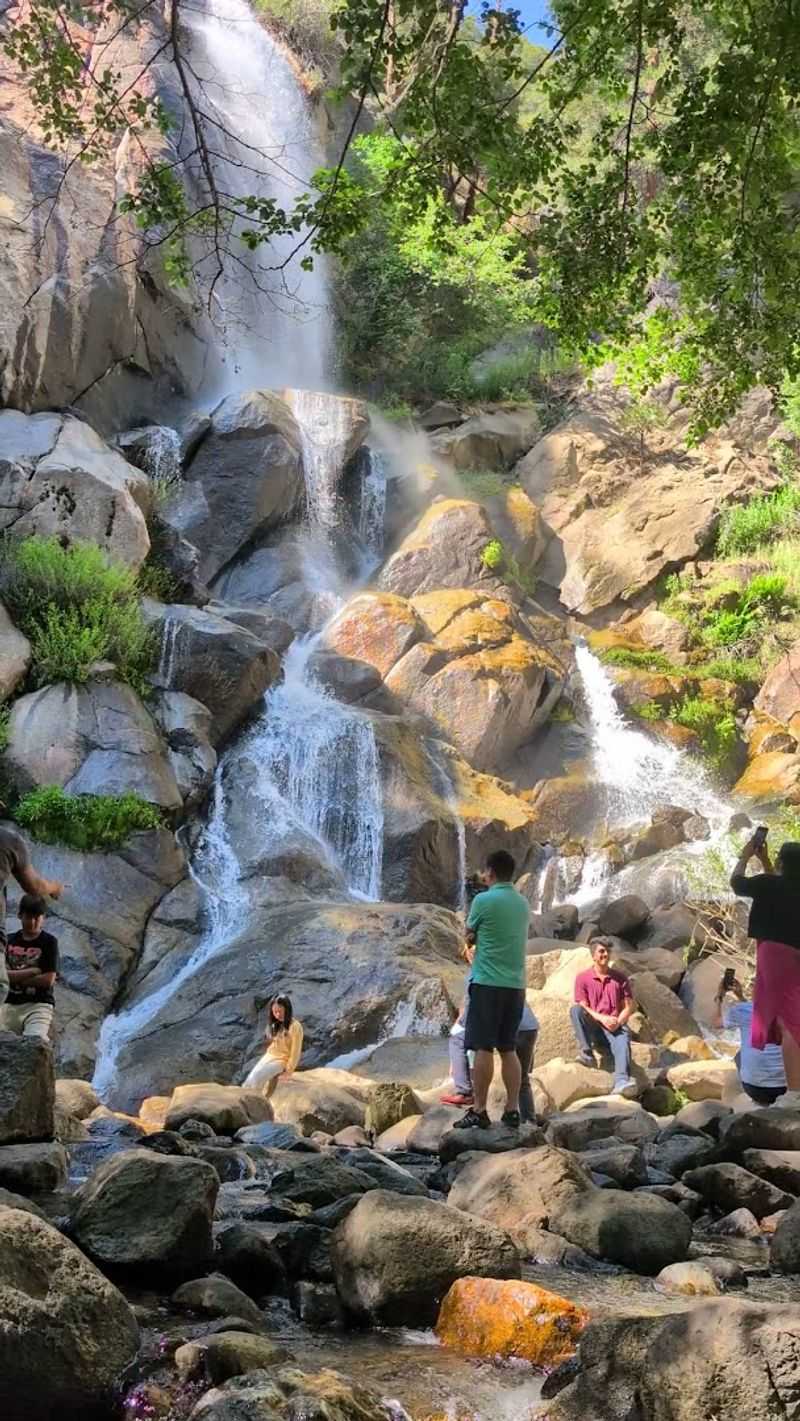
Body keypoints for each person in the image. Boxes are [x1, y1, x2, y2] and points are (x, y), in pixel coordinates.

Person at [455, 849, 529, 1131]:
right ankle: (512, 1111)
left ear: (491, 873)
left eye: (485, 872)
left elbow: (469, 935)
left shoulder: (483, 901)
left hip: (487, 983)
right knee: (508, 1049)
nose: (483, 876)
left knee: (483, 1048)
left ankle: (479, 1110)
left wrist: (470, 941)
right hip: (515, 986)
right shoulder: (522, 903)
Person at [730, 830, 800, 1108]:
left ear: (782, 863)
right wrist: (767, 862)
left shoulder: (771, 885)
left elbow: (737, 884)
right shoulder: (791, 887)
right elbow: (777, 886)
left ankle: (795, 1094)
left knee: (788, 1023)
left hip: (774, 953)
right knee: (793, 1017)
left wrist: (745, 856)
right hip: (795, 954)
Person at [0, 825, 63, 1010]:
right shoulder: (8, 839)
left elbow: (49, 978)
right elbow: (35, 887)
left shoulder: (49, 942)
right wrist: (55, 888)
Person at [571, 938, 637, 1096]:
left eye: (607, 951)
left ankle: (622, 1081)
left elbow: (629, 1006)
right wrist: (602, 1018)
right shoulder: (582, 978)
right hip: (595, 1025)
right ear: (593, 955)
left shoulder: (620, 978)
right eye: (601, 951)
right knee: (576, 1010)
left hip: (614, 1026)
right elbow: (583, 1005)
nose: (605, 954)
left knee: (623, 1036)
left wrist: (618, 1022)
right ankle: (587, 1055)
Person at [710, 971, 786, 1106]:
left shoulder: (742, 1010)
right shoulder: (790, 1011)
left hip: (755, 1089)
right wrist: (740, 997)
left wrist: (719, 997)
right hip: (786, 1089)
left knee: (739, 1055)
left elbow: (716, 1023)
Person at [0, 894, 59, 1040]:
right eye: (28, 917)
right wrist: (32, 971)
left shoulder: (49, 942)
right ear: (20, 915)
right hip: (7, 1004)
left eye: (37, 918)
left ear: (43, 918)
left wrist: (13, 977)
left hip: (38, 1005)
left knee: (35, 1040)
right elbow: (2, 975)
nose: (32, 922)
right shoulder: (8, 940)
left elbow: (48, 980)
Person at [243, 994, 303, 1097]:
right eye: (275, 1012)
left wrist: (288, 1071)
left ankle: (253, 1102)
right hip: (271, 1055)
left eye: (280, 1011)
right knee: (250, 1079)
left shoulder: (295, 1027)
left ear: (287, 1009)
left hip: (282, 1060)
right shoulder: (275, 1024)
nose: (278, 1014)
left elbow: (295, 1052)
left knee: (257, 1078)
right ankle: (245, 1098)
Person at [516, 998, 539, 1123]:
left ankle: (520, 1116)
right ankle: (529, 1118)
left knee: (518, 1077)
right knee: (522, 1077)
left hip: (515, 1027)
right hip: (529, 1027)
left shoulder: (480, 979)